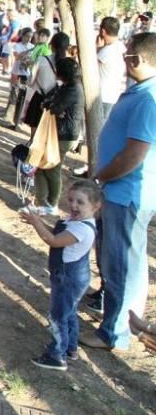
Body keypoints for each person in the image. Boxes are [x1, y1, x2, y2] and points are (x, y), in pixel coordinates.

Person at [82, 33, 156, 351]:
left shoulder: (147, 98)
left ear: (137, 60)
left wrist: (102, 175)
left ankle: (113, 331)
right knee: (124, 262)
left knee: (121, 264)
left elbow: (134, 153)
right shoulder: (142, 93)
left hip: (126, 194)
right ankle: (118, 319)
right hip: (122, 192)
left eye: (126, 56)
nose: (123, 61)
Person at [20, 180, 100, 371]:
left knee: (57, 316)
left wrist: (35, 223)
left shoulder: (81, 229)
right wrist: (40, 217)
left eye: (80, 202)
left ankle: (57, 355)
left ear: (95, 206)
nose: (73, 205)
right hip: (70, 276)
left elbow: (53, 240)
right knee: (69, 313)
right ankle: (70, 348)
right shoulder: (79, 221)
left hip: (68, 278)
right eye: (71, 200)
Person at [20, 58, 84, 217]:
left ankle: (52, 203)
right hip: (56, 132)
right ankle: (42, 202)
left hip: (64, 135)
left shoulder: (73, 89)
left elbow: (55, 107)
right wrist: (49, 105)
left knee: (53, 166)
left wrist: (50, 106)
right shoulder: (66, 87)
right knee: (41, 166)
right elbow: (49, 102)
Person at [21, 32, 69, 130]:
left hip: (39, 99)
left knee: (34, 135)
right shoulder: (68, 64)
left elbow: (30, 82)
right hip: (58, 102)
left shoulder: (41, 60)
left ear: (51, 44)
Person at [97, 17, 127, 125]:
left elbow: (91, 67)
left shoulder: (106, 51)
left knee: (99, 126)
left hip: (102, 96)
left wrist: (98, 48)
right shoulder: (121, 46)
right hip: (113, 95)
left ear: (103, 31)